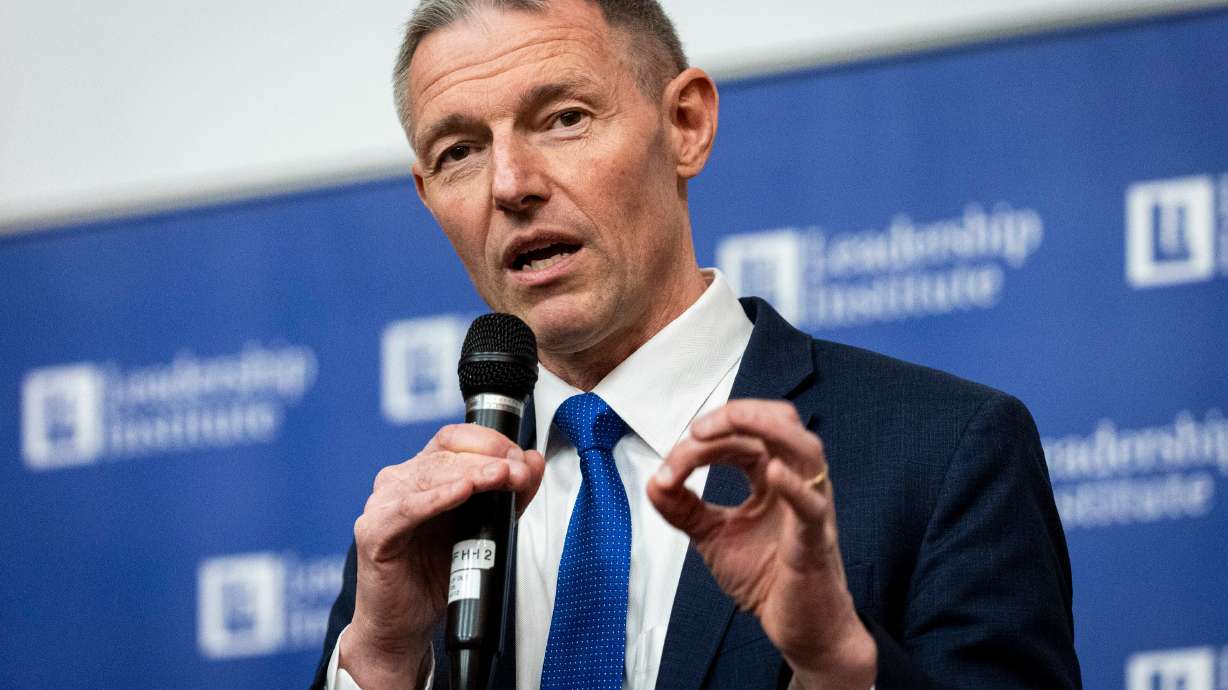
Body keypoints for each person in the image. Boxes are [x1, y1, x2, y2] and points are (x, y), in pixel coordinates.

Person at [312, 0, 1081, 688]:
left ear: (686, 124)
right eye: (459, 152)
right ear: (427, 195)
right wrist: (381, 659)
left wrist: (840, 663)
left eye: (564, 118)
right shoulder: (419, 535)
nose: (509, 183)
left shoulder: (944, 450)